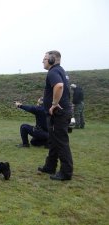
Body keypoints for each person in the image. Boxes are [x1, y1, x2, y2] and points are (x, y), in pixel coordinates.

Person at [38, 50, 73, 181]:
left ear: (53, 59)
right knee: (53, 141)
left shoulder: (53, 72)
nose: (43, 61)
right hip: (60, 113)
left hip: (58, 113)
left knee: (61, 142)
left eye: (45, 58)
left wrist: (53, 104)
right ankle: (50, 166)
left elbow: (59, 86)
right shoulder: (60, 70)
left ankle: (66, 172)